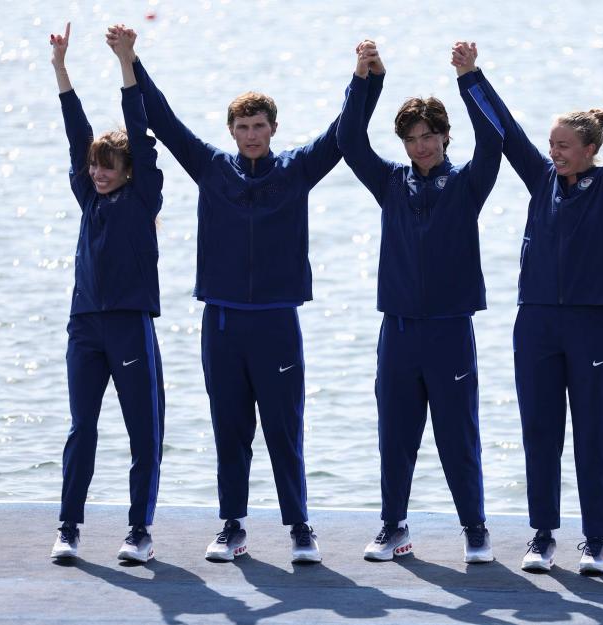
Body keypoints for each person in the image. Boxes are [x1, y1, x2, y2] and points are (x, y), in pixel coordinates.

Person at [106, 25, 383, 563]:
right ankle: (232, 527)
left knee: (284, 428)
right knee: (229, 429)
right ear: (231, 130)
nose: (251, 134)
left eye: (259, 126)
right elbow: (160, 118)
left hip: (277, 322)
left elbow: (345, 133)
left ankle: (301, 528)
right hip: (224, 323)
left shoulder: (297, 170)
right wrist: (129, 59)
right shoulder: (211, 167)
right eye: (242, 126)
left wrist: (364, 76)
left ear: (273, 128)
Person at [473, 29, 603, 574]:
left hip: (591, 325)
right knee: (540, 433)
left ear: (588, 150)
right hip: (535, 324)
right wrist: (471, 78)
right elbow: (506, 131)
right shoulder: (540, 179)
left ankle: (596, 540)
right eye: (551, 144)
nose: (553, 152)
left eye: (562, 145)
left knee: (593, 436)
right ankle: (541, 536)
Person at [337, 40, 504, 563]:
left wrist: (469, 77)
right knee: (396, 435)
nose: (421, 146)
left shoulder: (467, 183)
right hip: (401, 331)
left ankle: (475, 529)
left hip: (451, 330)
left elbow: (494, 138)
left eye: (429, 136)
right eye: (411, 139)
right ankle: (394, 527)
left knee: (458, 436)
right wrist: (367, 79)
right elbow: (348, 137)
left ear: (445, 135)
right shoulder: (389, 182)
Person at [48, 22, 165, 563]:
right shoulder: (88, 196)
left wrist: (127, 61)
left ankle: (138, 532)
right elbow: (77, 131)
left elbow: (139, 128)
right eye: (94, 165)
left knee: (144, 431)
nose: (97, 172)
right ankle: (69, 527)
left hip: (129, 323)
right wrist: (61, 69)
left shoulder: (143, 197)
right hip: (85, 327)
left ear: (127, 171)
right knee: (82, 429)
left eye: (107, 165)